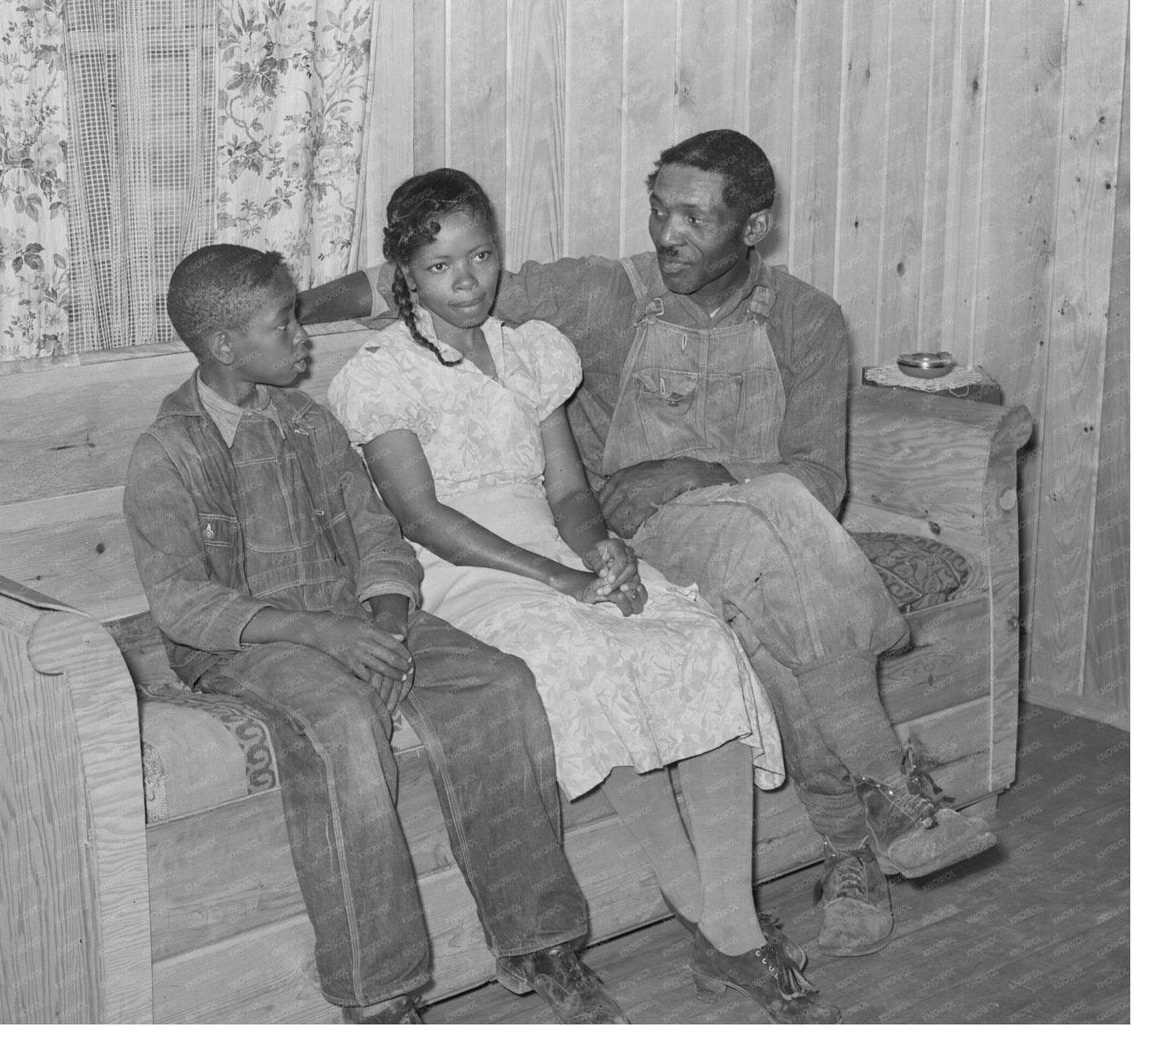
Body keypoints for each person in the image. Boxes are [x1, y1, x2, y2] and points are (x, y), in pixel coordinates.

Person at [301, 130, 997, 960]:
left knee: (773, 596)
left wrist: (694, 466)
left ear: (755, 226)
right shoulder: (607, 293)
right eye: (660, 210)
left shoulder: (808, 318)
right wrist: (278, 312)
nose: (669, 234)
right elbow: (423, 275)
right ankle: (892, 793)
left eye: (695, 218)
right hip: (640, 535)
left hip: (767, 531)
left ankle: (851, 845)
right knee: (776, 548)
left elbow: (819, 482)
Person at [328, 168, 838, 1025]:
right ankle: (727, 933)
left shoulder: (532, 350)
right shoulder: (381, 373)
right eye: (443, 264)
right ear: (404, 276)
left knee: (690, 639)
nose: (469, 279)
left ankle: (729, 929)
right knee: (580, 656)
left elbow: (567, 494)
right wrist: (561, 582)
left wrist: (605, 555)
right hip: (458, 572)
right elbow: (422, 516)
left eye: (483, 254)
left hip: (548, 544)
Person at [123, 243, 628, 1025]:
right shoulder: (168, 451)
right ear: (224, 346)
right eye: (283, 320)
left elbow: (379, 537)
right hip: (250, 642)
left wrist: (389, 616)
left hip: (357, 615)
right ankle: (382, 995)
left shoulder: (308, 421)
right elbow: (184, 605)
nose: (303, 334)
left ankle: (541, 941)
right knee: (344, 723)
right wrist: (327, 637)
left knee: (500, 684)